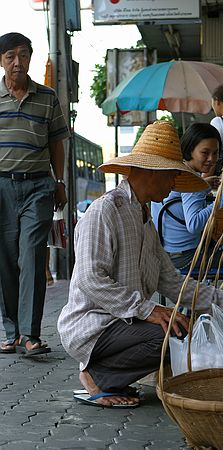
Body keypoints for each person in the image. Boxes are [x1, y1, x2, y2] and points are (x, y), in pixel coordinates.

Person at [57, 120, 223, 408]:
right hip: (93, 326)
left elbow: (172, 280)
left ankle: (111, 374)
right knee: (171, 334)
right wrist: (148, 309)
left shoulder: (144, 220)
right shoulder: (105, 211)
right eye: (171, 176)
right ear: (150, 172)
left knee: (181, 329)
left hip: (126, 324)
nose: (174, 184)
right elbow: (91, 278)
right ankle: (97, 376)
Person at [0, 33, 69, 356]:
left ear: (30, 58)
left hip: (39, 186)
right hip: (1, 187)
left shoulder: (48, 97)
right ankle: (11, 331)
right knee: (5, 260)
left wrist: (60, 182)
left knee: (31, 255)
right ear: (1, 60)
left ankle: (30, 334)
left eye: (23, 55)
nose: (18, 62)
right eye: (11, 56)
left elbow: (57, 141)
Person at [151, 123, 223, 277]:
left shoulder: (175, 172)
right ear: (190, 150)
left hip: (167, 254)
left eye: (215, 153)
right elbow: (194, 224)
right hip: (188, 258)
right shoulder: (191, 179)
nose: (211, 159)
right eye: (205, 152)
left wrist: (204, 186)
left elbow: (181, 199)